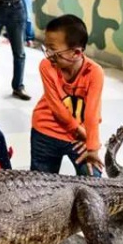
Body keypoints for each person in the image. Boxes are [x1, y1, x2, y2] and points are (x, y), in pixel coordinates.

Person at [31, 14, 104, 177]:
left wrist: (92, 146)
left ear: (76, 53)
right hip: (45, 131)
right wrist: (79, 130)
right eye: (46, 48)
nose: (48, 54)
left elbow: (92, 112)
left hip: (79, 137)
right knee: (40, 187)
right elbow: (55, 106)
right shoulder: (46, 65)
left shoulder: (95, 72)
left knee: (93, 179)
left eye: (53, 50)